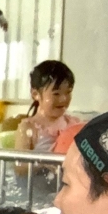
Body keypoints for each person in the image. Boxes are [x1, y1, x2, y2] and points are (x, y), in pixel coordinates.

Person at [15, 61, 82, 196]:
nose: (63, 99)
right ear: (35, 94)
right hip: (37, 193)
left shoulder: (73, 124)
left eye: (68, 92)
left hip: (64, 191)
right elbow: (19, 167)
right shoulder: (29, 128)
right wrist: (45, 162)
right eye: (56, 94)